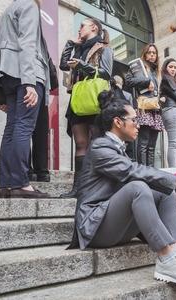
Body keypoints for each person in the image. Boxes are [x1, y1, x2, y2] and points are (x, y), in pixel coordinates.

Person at [68, 90, 176, 287]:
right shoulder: (99, 147)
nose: (139, 124)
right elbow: (133, 171)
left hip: (117, 226)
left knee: (165, 191)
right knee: (138, 186)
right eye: (134, 119)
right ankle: (167, 260)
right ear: (118, 122)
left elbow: (139, 173)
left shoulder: (118, 148)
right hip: (95, 227)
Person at [0, 0, 51, 198]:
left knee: (12, 128)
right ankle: (21, 184)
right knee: (24, 127)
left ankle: (7, 184)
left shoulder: (7, 11)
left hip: (7, 75)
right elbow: (27, 43)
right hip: (25, 73)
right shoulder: (29, 6)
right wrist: (29, 82)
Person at [59, 17, 113, 198]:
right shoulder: (79, 48)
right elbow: (62, 65)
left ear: (94, 28)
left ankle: (98, 187)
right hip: (78, 99)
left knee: (97, 143)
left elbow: (106, 74)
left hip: (96, 99)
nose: (79, 29)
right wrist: (69, 44)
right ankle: (78, 189)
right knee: (80, 143)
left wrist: (84, 66)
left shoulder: (104, 47)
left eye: (82, 25)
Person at [125, 44, 164, 167]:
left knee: (152, 145)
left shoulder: (157, 71)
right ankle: (142, 170)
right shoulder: (139, 68)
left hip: (155, 109)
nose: (152, 55)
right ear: (145, 54)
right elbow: (128, 81)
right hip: (144, 108)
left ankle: (151, 172)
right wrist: (147, 81)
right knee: (143, 143)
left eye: (154, 53)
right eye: (149, 52)